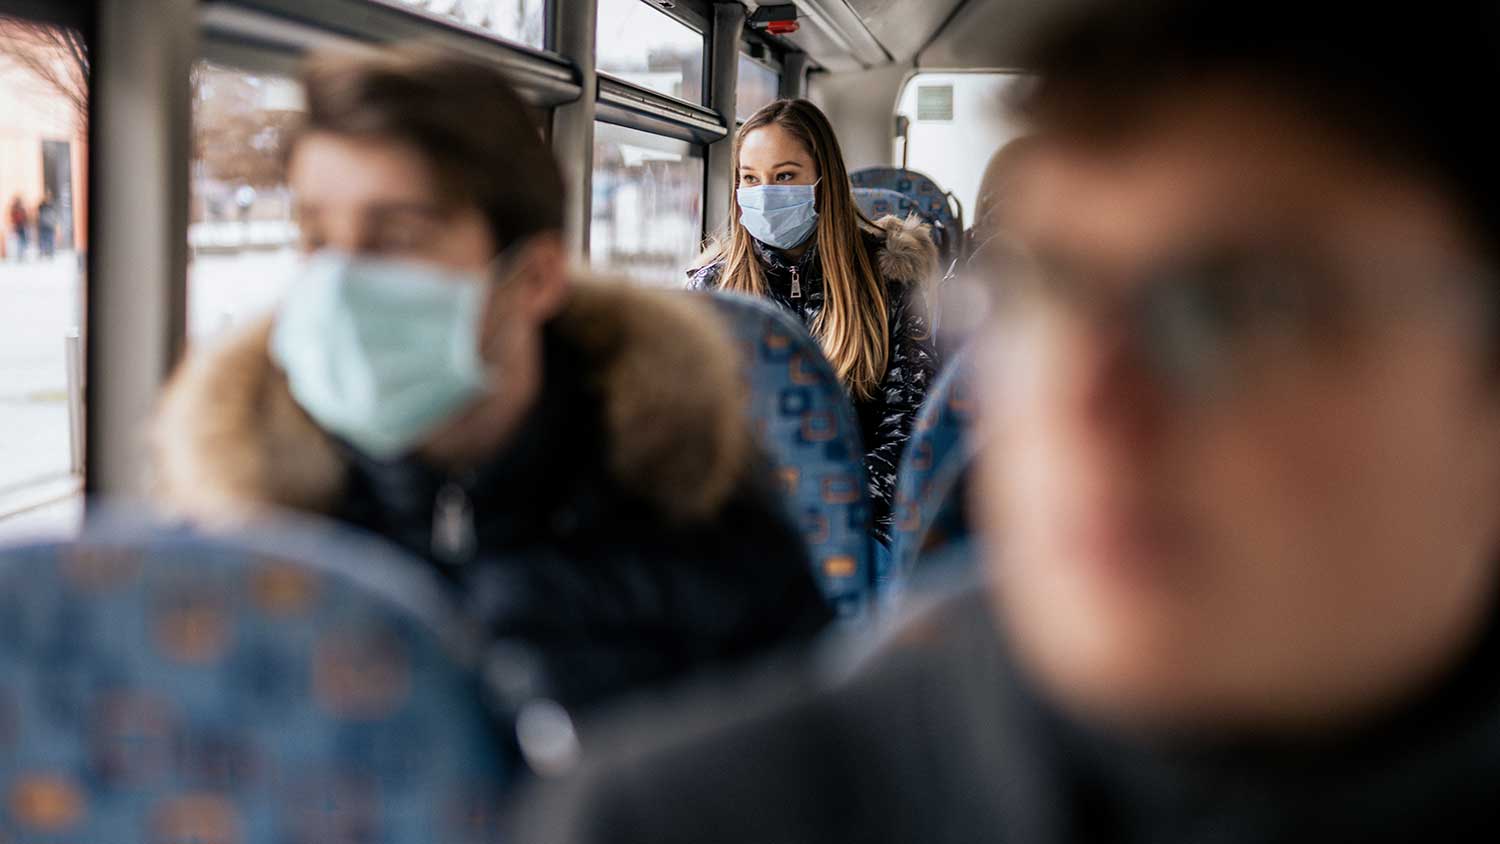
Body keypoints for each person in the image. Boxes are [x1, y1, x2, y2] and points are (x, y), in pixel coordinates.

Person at [514, 1, 1500, 840]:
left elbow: (899, 454)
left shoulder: (888, 293)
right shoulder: (674, 816)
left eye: (1243, 309)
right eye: (1049, 293)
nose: (1087, 401)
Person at [151, 46, 832, 719]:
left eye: (398, 237)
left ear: (533, 278)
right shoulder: (240, 533)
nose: (341, 281)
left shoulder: (703, 527)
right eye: (317, 237)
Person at [688, 99, 939, 546]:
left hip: (864, 524)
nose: (765, 192)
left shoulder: (889, 277)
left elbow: (910, 429)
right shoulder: (713, 292)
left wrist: (825, 508)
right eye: (751, 178)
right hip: (743, 526)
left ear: (824, 182)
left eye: (785, 176)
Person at [35, 192, 56, 259]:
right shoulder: (43, 206)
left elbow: (53, 216)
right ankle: (44, 252)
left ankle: (49, 252)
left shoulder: (49, 206)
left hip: (48, 225)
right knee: (44, 239)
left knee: (48, 239)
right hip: (44, 225)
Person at [9, 196, 29, 261]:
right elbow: (13, 217)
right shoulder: (15, 209)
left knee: (23, 240)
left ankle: (22, 253)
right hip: (18, 225)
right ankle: (20, 254)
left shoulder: (20, 209)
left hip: (21, 225)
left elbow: (25, 217)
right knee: (19, 240)